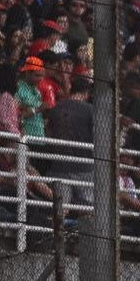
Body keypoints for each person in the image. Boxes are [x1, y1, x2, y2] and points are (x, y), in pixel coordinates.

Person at [45, 75, 94, 207]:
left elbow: (48, 134)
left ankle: (58, 227)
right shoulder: (90, 110)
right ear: (86, 93)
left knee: (61, 209)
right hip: (85, 168)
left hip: (59, 167)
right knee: (88, 209)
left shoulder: (56, 108)